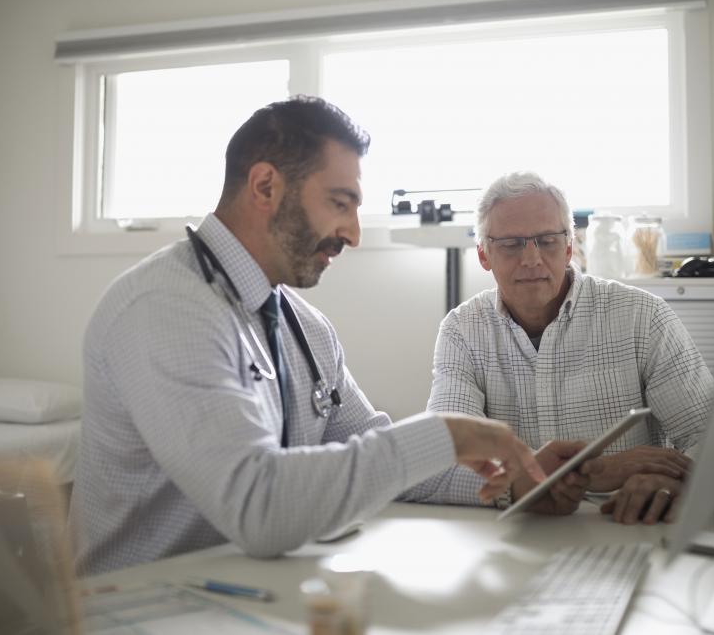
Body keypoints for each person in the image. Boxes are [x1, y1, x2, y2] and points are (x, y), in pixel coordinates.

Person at [70, 98, 553, 575]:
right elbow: (258, 507)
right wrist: (443, 434)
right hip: (140, 610)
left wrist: (519, 479)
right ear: (265, 186)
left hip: (250, 595)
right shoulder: (165, 309)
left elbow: (378, 455)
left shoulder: (305, 328)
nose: (354, 233)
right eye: (339, 203)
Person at [421, 171, 714, 525]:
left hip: (626, 527)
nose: (531, 260)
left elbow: (711, 438)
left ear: (570, 247)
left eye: (547, 240)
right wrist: (595, 470)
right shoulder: (462, 332)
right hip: (516, 534)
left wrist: (682, 482)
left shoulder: (643, 317)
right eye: (512, 244)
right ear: (484, 254)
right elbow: (443, 457)